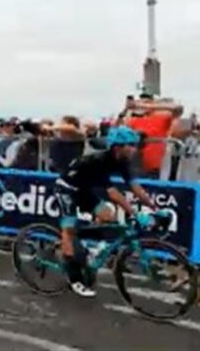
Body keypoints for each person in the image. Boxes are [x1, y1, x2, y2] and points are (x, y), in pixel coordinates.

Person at [54, 126, 157, 298]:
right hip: (67, 189)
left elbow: (135, 187)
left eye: (135, 145)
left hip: (84, 189)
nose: (135, 149)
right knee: (69, 230)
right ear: (118, 147)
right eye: (131, 145)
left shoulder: (122, 161)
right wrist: (134, 213)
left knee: (108, 216)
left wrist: (154, 207)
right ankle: (75, 279)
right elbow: (113, 193)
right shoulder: (99, 160)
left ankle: (88, 249)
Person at [124, 94, 182, 179]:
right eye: (141, 102)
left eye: (146, 102)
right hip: (135, 166)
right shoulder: (134, 120)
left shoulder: (162, 118)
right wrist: (128, 109)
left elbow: (178, 109)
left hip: (155, 167)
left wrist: (146, 106)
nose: (142, 105)